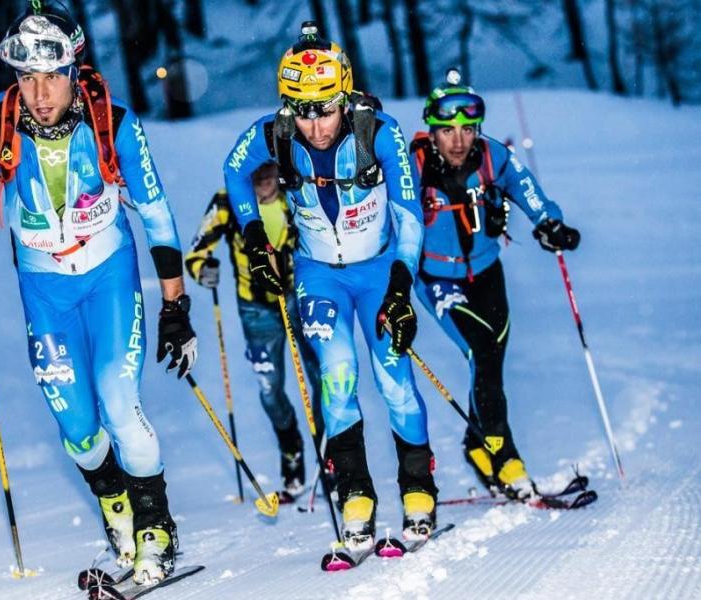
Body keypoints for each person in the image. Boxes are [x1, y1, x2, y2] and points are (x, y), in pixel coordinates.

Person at [0, 2, 197, 585]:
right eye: (26, 77)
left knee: (119, 401)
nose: (39, 92)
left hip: (109, 274)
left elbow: (157, 216)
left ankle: (156, 526)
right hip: (44, 292)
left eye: (51, 76)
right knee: (79, 429)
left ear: (73, 67)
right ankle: (118, 516)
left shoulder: (113, 121)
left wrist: (175, 306)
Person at [222, 22, 439, 549]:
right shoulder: (273, 134)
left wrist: (401, 285)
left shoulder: (378, 133)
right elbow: (234, 172)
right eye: (302, 110)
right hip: (318, 276)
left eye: (325, 108)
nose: (314, 125)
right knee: (337, 376)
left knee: (393, 380)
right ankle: (356, 495)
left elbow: (409, 216)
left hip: (379, 272)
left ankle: (418, 488)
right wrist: (254, 236)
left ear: (345, 97)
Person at [409, 69, 580, 499]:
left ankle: (476, 446)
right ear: (432, 130)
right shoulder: (411, 165)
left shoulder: (492, 157)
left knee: (489, 362)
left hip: (487, 272)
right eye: (447, 130)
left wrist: (549, 223)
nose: (458, 139)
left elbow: (527, 188)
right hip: (437, 277)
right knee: (482, 351)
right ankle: (508, 462)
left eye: (467, 129)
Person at [184, 162, 323, 501]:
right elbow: (197, 252)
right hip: (256, 309)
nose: (263, 181)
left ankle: (329, 458)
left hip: (299, 298)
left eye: (269, 172)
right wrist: (205, 271)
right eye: (255, 175)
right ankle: (292, 454)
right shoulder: (227, 202)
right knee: (270, 389)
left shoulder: (295, 194)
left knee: (322, 377)